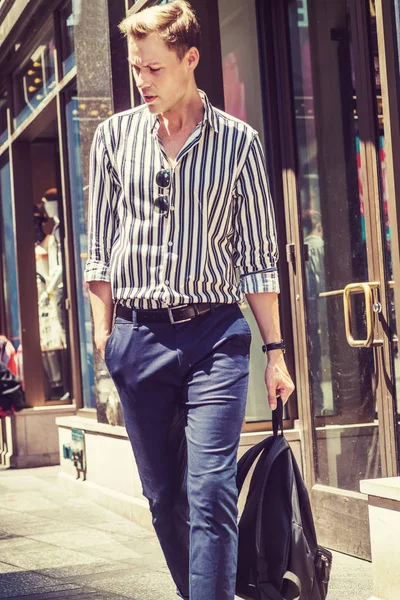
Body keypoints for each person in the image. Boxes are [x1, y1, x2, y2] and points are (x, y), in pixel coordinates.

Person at [85, 2, 294, 599]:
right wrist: (106, 337)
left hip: (215, 338)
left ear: (190, 59)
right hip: (138, 338)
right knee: (164, 498)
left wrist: (275, 353)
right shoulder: (114, 139)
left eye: (154, 68)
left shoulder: (239, 144)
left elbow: (257, 258)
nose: (142, 81)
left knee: (210, 492)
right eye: (135, 69)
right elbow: (99, 245)